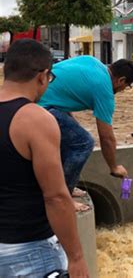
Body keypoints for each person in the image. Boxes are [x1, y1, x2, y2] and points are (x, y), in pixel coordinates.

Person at [0, 39, 89, 277]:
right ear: (43, 76)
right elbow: (56, 197)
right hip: (27, 251)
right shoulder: (35, 120)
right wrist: (77, 258)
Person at [38, 55, 133, 211]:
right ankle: (63, 197)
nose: (122, 90)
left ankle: (65, 188)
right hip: (42, 107)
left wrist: (72, 125)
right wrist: (114, 167)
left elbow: (63, 89)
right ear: (121, 80)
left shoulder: (92, 62)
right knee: (83, 143)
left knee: (74, 137)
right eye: (126, 86)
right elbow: (106, 138)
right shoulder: (104, 89)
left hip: (34, 95)